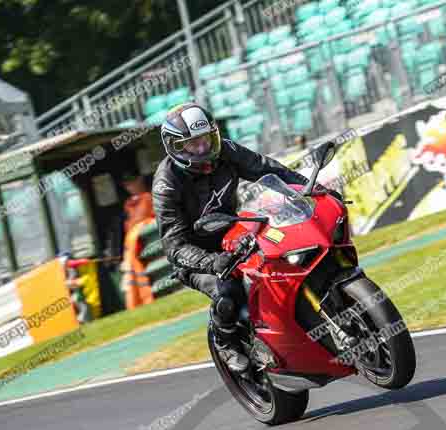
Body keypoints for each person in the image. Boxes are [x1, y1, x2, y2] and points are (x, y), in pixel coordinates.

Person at [152, 103, 313, 373]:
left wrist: (308, 189)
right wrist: (213, 262)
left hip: (231, 232)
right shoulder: (166, 185)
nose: (203, 149)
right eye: (193, 144)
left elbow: (266, 169)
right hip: (195, 257)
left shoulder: (225, 151)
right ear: (176, 147)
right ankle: (225, 339)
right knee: (227, 292)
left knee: (283, 259)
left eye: (206, 139)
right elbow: (174, 246)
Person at [120, 173, 155, 309]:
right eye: (126, 184)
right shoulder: (128, 204)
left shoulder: (148, 197)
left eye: (132, 181)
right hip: (132, 251)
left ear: (140, 180)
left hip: (147, 247)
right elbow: (129, 225)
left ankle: (145, 299)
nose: (130, 186)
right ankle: (137, 302)